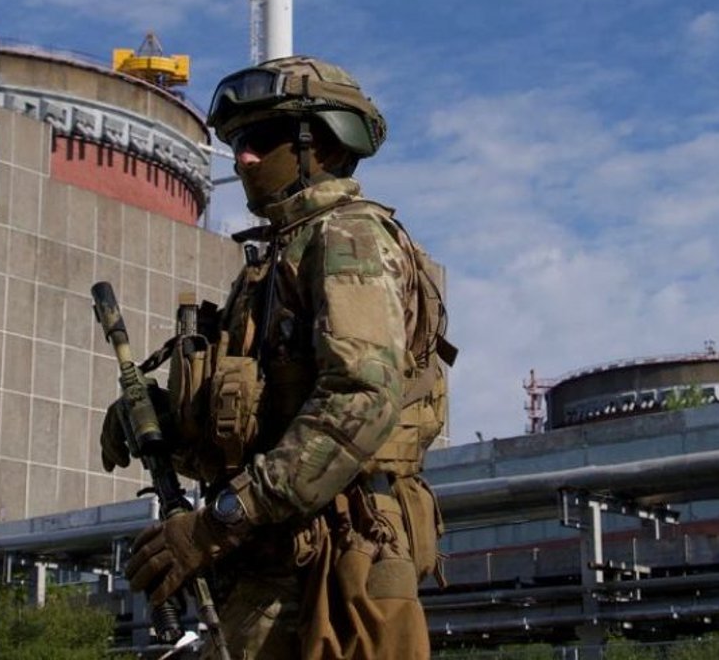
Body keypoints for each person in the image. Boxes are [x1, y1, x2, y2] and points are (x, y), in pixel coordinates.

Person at [102, 55, 455, 659]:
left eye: (263, 138)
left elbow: (360, 400)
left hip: (331, 566)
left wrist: (220, 520)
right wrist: (162, 423)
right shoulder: (278, 260)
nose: (242, 158)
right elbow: (258, 428)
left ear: (325, 144)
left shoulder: (346, 238)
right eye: (237, 141)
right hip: (276, 563)